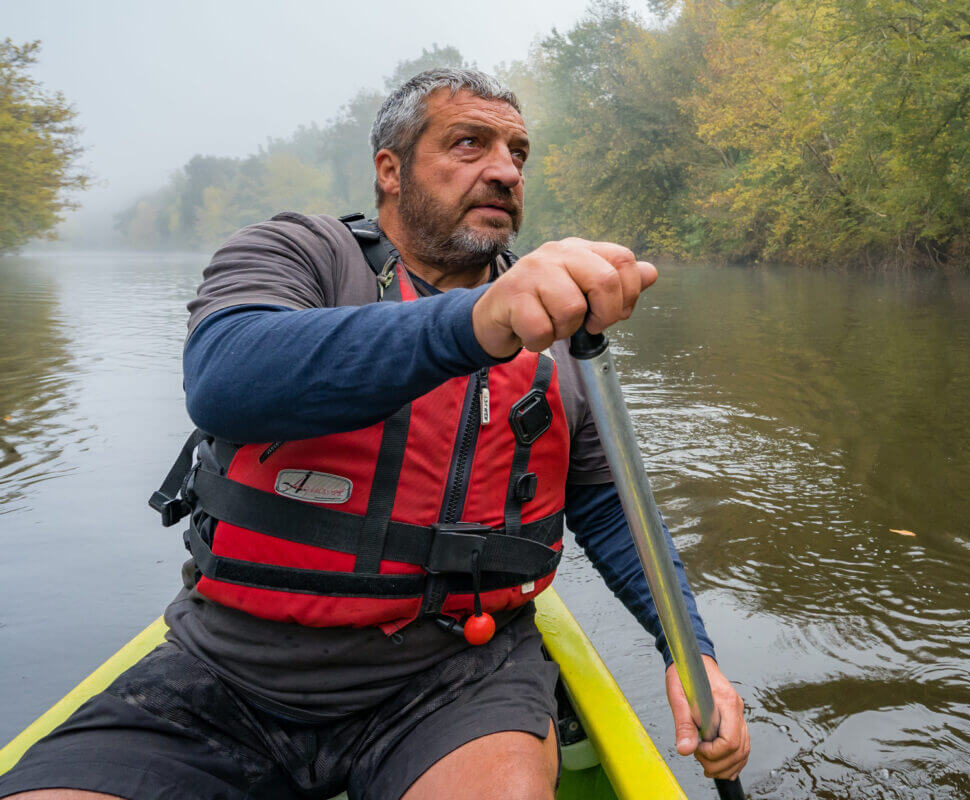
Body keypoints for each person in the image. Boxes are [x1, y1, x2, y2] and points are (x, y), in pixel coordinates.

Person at [0, 68, 749, 800]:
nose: (504, 171)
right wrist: (477, 321)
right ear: (390, 169)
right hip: (231, 669)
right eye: (469, 145)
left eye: (516, 154)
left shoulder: (555, 323)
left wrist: (691, 653)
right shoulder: (298, 251)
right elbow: (223, 379)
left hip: (459, 674)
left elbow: (607, 511)